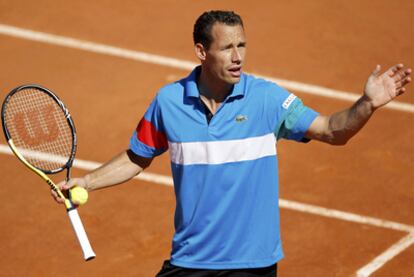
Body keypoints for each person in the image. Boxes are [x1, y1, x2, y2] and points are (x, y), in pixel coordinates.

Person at [52, 10, 411, 277]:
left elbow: (333, 130)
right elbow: (137, 156)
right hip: (190, 259)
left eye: (242, 45)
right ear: (201, 52)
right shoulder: (168, 102)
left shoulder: (267, 100)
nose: (238, 56)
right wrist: (86, 182)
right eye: (227, 48)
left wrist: (367, 105)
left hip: (250, 265)